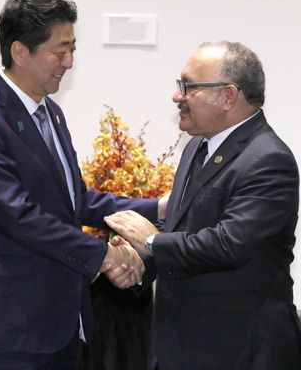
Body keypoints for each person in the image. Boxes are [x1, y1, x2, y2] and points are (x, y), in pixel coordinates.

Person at [0, 0, 167, 370]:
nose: (69, 62)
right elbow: (18, 215)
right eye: (60, 50)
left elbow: (76, 201)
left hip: (61, 323)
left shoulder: (51, 114)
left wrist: (158, 207)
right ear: (20, 51)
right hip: (9, 329)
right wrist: (104, 255)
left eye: (73, 49)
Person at [105, 41, 301, 370]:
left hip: (240, 351)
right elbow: (180, 228)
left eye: (189, 86)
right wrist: (138, 264)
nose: (177, 96)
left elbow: (228, 244)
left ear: (227, 96)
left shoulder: (268, 159)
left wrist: (151, 242)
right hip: (181, 347)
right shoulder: (196, 148)